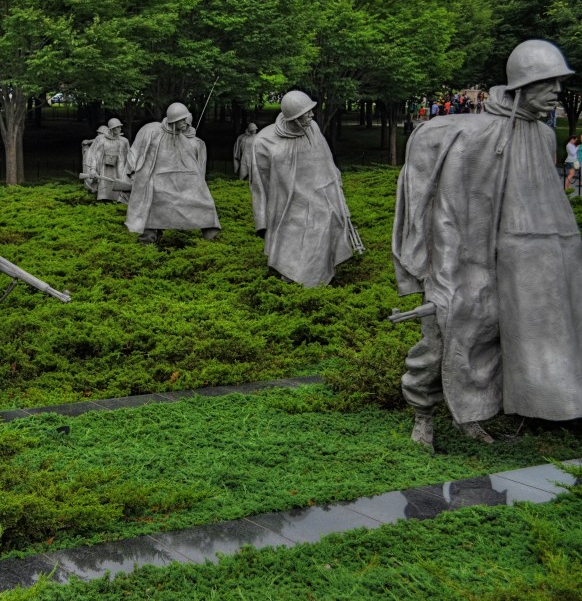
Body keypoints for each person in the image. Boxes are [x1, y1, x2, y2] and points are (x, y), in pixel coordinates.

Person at [392, 40, 582, 452]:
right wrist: (414, 274)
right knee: (442, 337)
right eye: (546, 83)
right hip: (460, 260)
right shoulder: (462, 133)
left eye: (558, 83)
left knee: (493, 341)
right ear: (520, 86)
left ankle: (474, 415)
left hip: (522, 265)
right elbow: (419, 203)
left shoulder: (544, 136)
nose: (556, 92)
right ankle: (423, 417)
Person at [248, 90, 356, 286]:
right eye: (306, 113)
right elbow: (259, 183)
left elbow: (327, 163)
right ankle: (292, 280)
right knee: (292, 243)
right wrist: (262, 219)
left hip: (320, 199)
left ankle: (319, 280)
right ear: (294, 117)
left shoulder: (312, 129)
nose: (312, 115)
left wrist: (337, 192)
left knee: (320, 237)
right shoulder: (263, 141)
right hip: (288, 204)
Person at [125, 102, 220, 244]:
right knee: (151, 210)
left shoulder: (184, 138)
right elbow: (135, 151)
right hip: (153, 182)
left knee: (204, 202)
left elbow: (192, 165)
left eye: (185, 119)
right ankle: (148, 240)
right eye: (182, 120)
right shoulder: (151, 130)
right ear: (173, 120)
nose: (185, 123)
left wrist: (197, 182)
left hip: (176, 182)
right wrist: (131, 171)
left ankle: (210, 233)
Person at [82, 118, 130, 202]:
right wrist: (93, 169)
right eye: (117, 127)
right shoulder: (101, 139)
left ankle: (119, 199)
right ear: (112, 129)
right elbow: (94, 156)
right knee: (104, 187)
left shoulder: (124, 141)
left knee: (118, 186)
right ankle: (104, 199)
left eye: (120, 127)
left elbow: (129, 158)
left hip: (119, 169)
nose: (120, 129)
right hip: (104, 169)